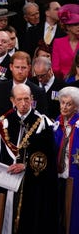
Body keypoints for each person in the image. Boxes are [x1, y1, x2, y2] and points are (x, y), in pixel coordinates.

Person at [0, 83, 58, 234]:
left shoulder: (42, 123)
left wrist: (25, 166)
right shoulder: (4, 122)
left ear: (32, 99)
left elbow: (48, 157)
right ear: (12, 100)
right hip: (4, 183)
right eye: (19, 100)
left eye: (26, 99)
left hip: (31, 184)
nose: (23, 104)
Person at [0, 51, 48, 116]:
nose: (20, 71)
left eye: (23, 68)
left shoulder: (38, 92)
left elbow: (42, 118)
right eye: (17, 67)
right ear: (11, 67)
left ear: (29, 68)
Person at [53, 86, 79, 234]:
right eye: (62, 102)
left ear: (75, 107)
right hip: (58, 176)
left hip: (73, 177)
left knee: (72, 213)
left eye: (68, 104)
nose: (64, 106)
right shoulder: (58, 122)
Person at [31, 56, 67, 120]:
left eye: (42, 75)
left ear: (50, 70)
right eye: (37, 75)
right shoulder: (31, 84)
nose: (39, 79)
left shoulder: (63, 87)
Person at [52, 4, 79, 80]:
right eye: (75, 24)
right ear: (67, 27)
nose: (78, 27)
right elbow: (55, 68)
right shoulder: (58, 42)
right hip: (63, 82)